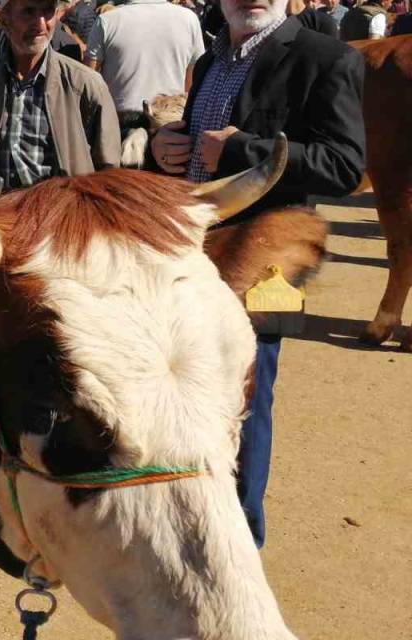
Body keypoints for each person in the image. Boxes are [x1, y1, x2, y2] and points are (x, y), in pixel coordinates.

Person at [149, 0, 364, 548]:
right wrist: (166, 148)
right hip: (194, 251)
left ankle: (241, 536)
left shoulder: (324, 57)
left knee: (248, 393)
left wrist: (241, 149)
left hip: (263, 253)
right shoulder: (211, 58)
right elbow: (201, 148)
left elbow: (343, 167)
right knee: (189, 385)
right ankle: (190, 516)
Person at [0, 0, 120, 194]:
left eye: (48, 12)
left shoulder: (85, 84)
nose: (41, 24)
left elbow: (108, 170)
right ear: (4, 20)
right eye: (28, 12)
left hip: (61, 218)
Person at [86, 0, 205, 113]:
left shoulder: (107, 20)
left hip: (121, 122)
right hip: (169, 121)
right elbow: (193, 85)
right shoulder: (189, 20)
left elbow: (88, 84)